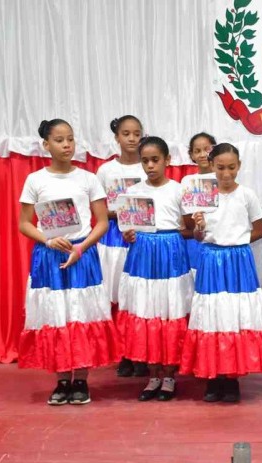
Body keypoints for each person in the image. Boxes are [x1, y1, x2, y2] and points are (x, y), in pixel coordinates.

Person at [18, 119, 118, 405]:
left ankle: (82, 381)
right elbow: (24, 224)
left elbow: (102, 222)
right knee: (57, 315)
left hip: (81, 255)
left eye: (70, 139)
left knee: (81, 314)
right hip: (49, 256)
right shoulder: (35, 180)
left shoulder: (88, 179)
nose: (66, 145)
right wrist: (48, 240)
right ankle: (62, 380)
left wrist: (82, 247)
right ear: (46, 145)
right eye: (59, 140)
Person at [181, 143, 262, 402]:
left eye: (231, 167)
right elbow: (197, 236)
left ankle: (232, 377)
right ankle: (213, 378)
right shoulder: (202, 195)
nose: (226, 173)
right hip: (210, 259)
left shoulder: (247, 195)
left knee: (235, 315)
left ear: (239, 166)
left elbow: (260, 228)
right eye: (220, 167)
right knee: (212, 315)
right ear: (211, 166)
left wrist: (238, 242)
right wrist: (199, 227)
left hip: (238, 261)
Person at [117, 136, 195, 401]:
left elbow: (190, 228)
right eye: (145, 161)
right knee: (147, 308)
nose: (150, 166)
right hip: (142, 256)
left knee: (170, 309)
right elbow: (127, 228)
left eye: (155, 160)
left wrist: (186, 229)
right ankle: (153, 375)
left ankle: (170, 375)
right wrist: (129, 235)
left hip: (171, 254)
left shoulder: (178, 190)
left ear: (167, 160)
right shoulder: (133, 192)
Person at [97, 115, 149, 378]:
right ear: (117, 137)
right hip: (112, 239)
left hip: (141, 236)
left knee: (139, 295)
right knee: (117, 294)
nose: (132, 139)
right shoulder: (106, 170)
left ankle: (140, 353)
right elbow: (98, 207)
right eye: (126, 133)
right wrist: (120, 212)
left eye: (137, 133)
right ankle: (124, 352)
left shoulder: (147, 166)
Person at [181, 132, 217, 277]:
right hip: (195, 240)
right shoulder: (187, 181)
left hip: (217, 238)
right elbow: (185, 213)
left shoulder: (222, 178)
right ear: (191, 155)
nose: (203, 154)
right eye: (197, 151)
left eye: (207, 149)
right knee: (196, 279)